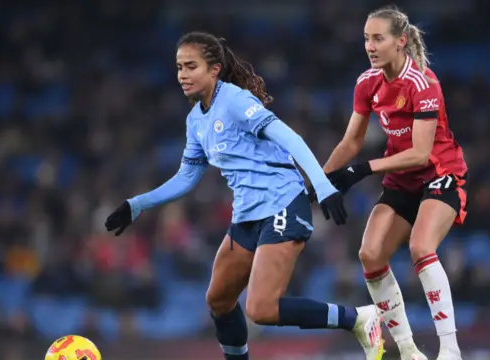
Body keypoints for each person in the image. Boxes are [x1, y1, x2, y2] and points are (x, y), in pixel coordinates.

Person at [104, 32, 385, 360]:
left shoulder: (235, 101)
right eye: (179, 67)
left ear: (214, 70)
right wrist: (137, 205)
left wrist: (323, 187)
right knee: (219, 300)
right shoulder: (195, 121)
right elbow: (186, 177)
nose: (182, 74)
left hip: (282, 204)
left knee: (261, 308)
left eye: (191, 66)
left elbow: (289, 137)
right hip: (247, 216)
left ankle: (359, 318)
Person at [317, 7, 468, 360]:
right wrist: (321, 181)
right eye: (367, 38)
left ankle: (450, 349)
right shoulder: (367, 82)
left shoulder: (424, 83)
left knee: (420, 247)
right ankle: (408, 350)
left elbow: (419, 153)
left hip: (439, 173)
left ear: (401, 42)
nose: (370, 45)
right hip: (402, 181)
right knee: (369, 255)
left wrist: (362, 170)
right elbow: (350, 142)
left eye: (378, 38)